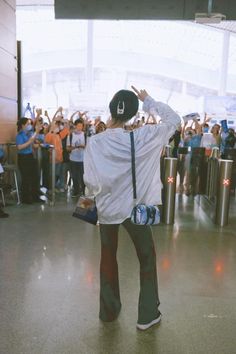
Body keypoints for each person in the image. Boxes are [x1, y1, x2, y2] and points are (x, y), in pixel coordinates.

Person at [83, 87, 181, 330]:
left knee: (107, 258)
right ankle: (147, 315)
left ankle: (108, 311)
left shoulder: (95, 142)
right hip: (135, 210)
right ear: (133, 115)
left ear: (110, 109)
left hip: (107, 211)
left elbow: (91, 182)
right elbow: (174, 121)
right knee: (146, 257)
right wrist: (148, 100)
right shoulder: (144, 137)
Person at [16, 117, 42, 204]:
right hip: (23, 158)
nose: (29, 125)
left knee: (36, 176)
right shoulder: (19, 135)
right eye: (27, 124)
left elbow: (33, 145)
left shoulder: (28, 134)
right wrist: (30, 141)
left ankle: (35, 196)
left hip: (31, 156)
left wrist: (38, 145)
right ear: (23, 125)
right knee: (26, 178)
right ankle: (26, 198)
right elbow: (19, 147)